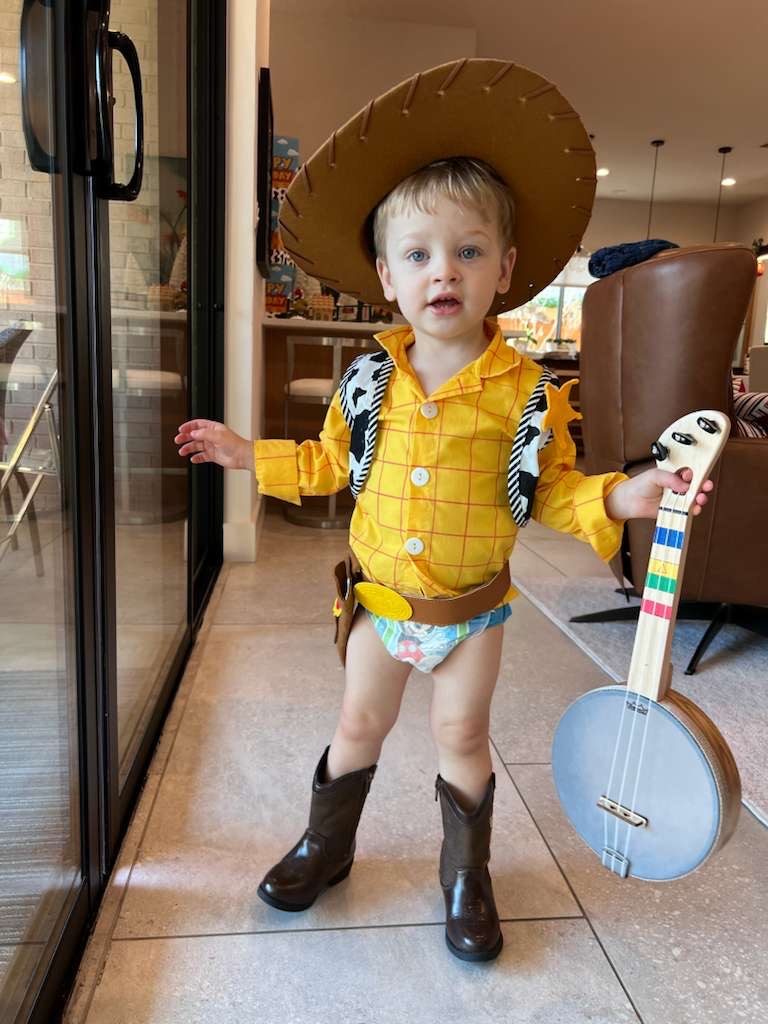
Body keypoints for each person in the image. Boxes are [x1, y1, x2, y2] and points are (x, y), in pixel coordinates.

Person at [174, 59, 713, 963]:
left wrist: (629, 493)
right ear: (387, 275)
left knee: (462, 733)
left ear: (506, 268)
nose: (444, 273)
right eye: (419, 255)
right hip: (380, 607)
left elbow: (556, 491)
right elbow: (326, 464)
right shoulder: (369, 380)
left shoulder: (527, 393)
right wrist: (244, 453)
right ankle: (325, 845)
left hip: (471, 612)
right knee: (359, 725)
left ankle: (467, 872)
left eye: (468, 251)